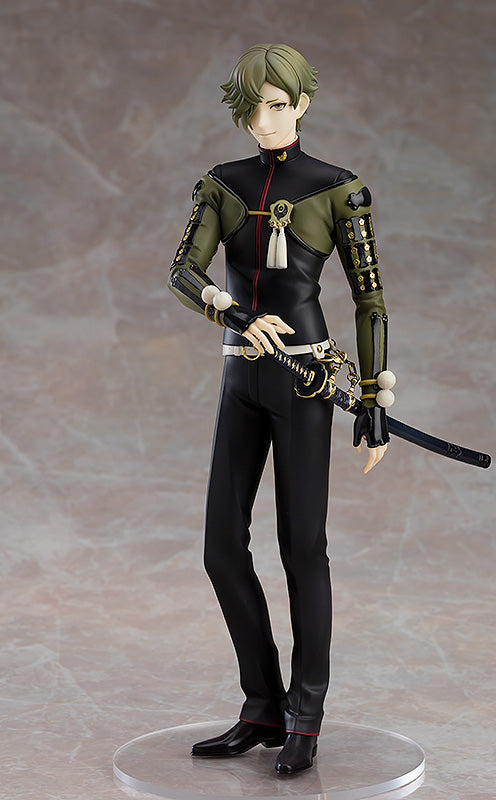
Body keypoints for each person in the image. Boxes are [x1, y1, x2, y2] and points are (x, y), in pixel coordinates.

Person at [168, 43, 389, 775]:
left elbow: (370, 300)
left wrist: (371, 399)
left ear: (302, 104)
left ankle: (305, 716)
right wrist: (233, 314)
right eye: (250, 107)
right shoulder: (222, 184)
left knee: (302, 548)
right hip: (241, 375)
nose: (261, 121)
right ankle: (262, 704)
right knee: (220, 549)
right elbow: (183, 270)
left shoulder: (339, 189)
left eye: (275, 105)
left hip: (306, 381)